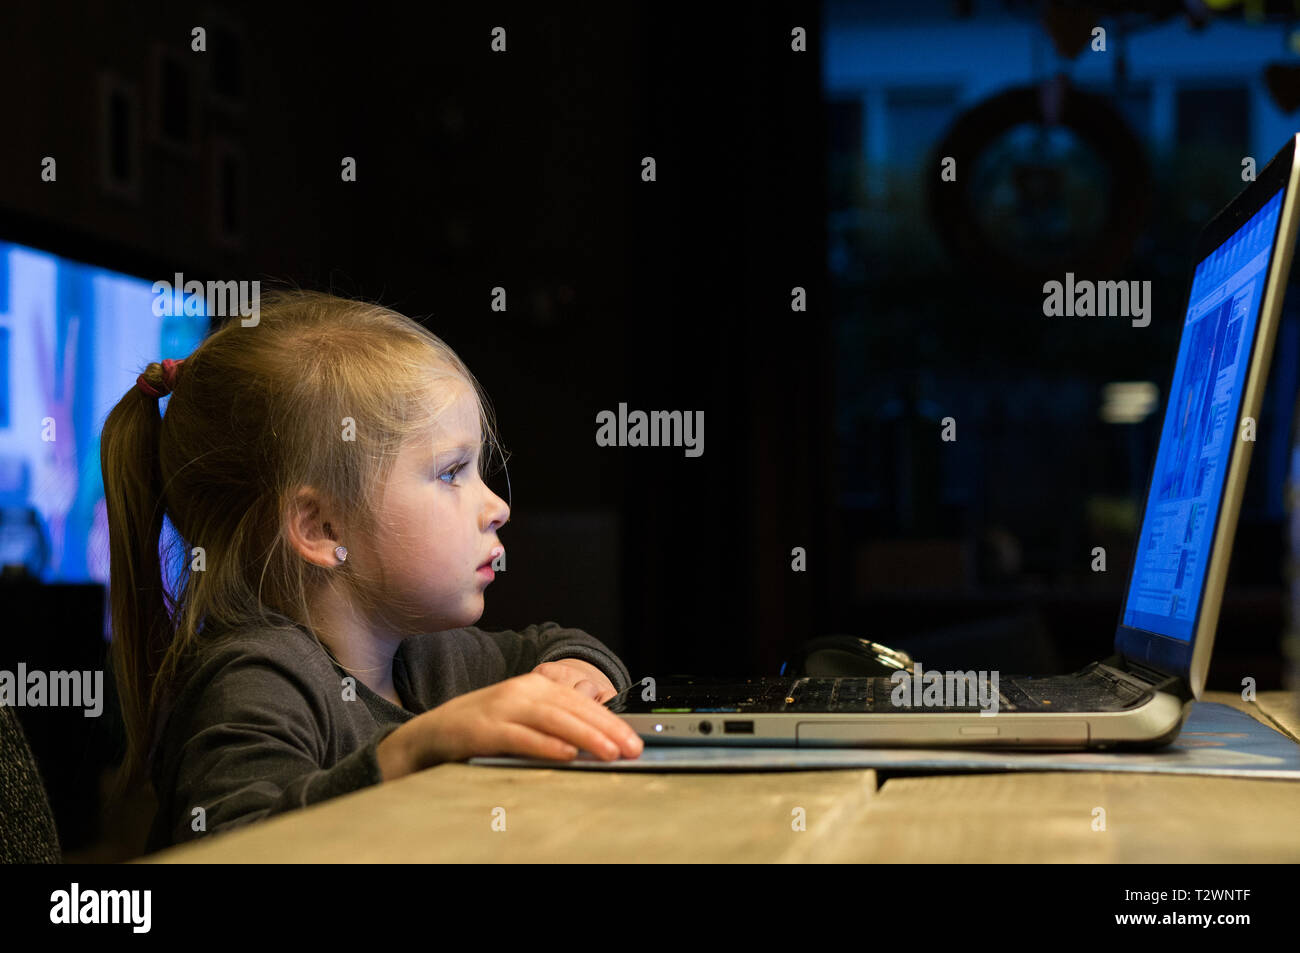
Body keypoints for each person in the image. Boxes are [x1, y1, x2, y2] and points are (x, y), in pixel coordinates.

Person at [99, 288, 642, 852]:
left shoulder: (429, 656)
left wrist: (577, 671)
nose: (497, 507)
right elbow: (236, 842)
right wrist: (409, 753)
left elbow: (555, 645)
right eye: (452, 472)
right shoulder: (257, 681)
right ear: (323, 529)